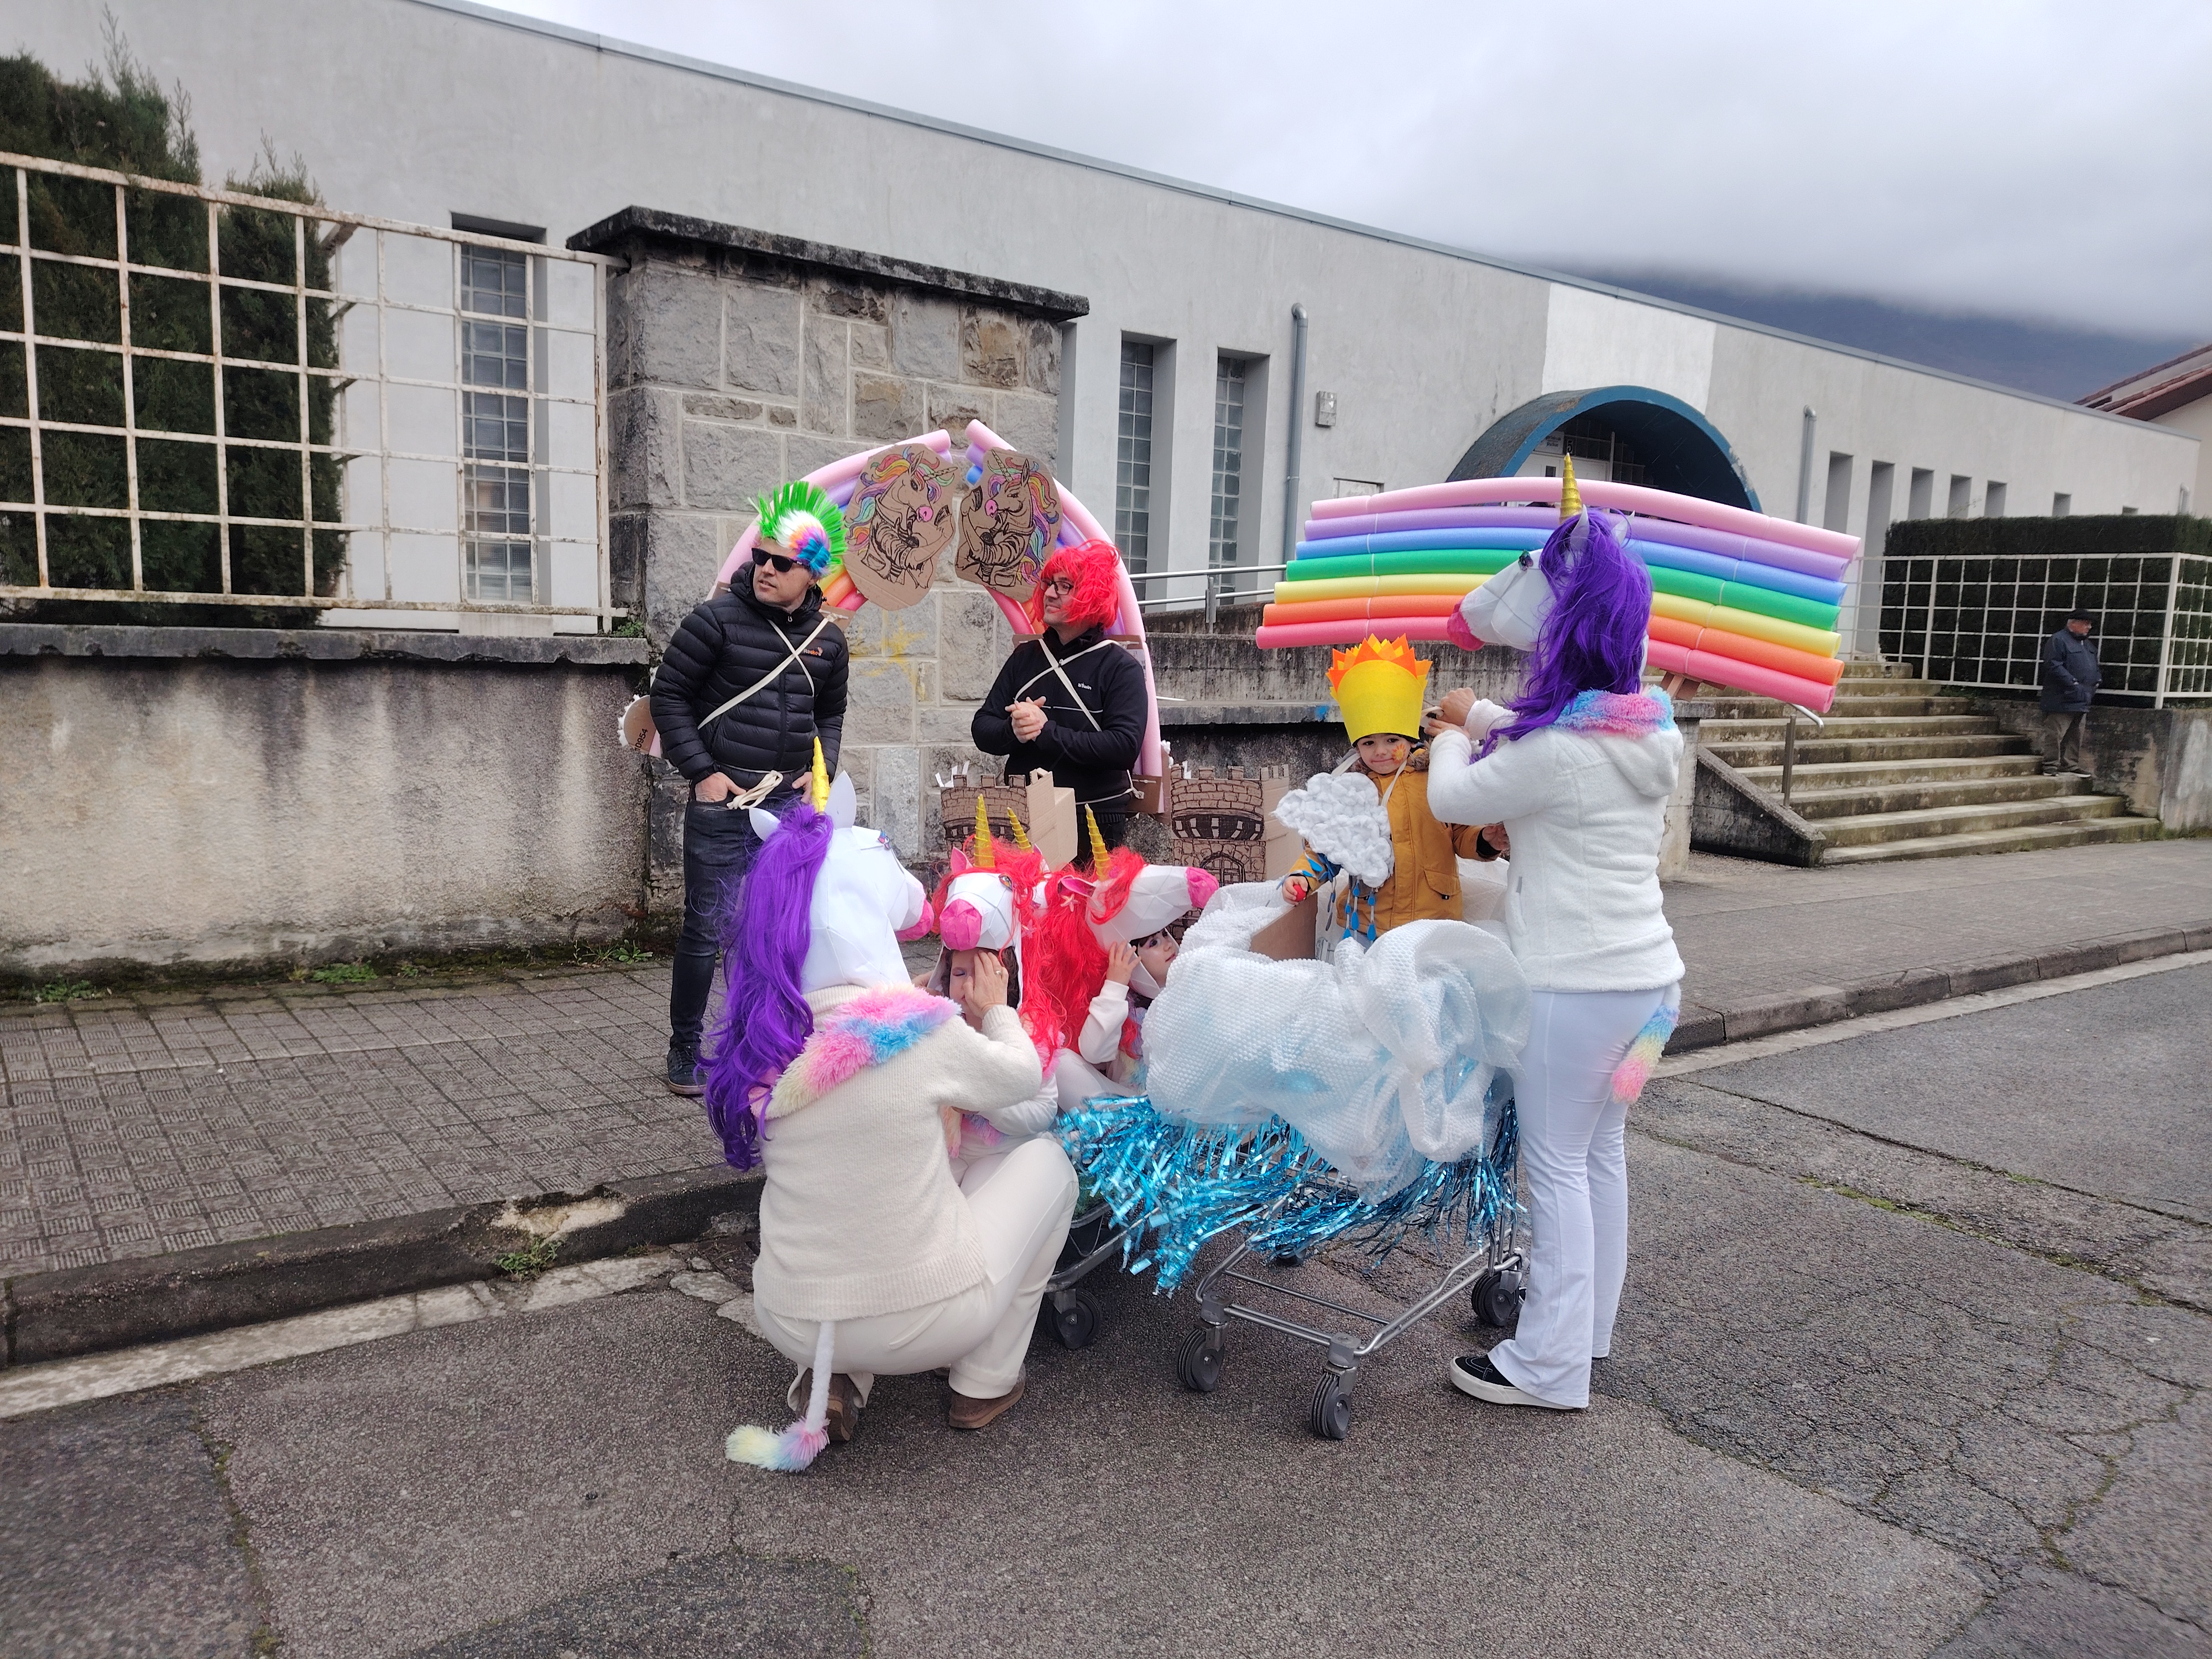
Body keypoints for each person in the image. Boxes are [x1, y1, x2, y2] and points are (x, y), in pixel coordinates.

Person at [709, 762, 1078, 1464]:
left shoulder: (767, 1043)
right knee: (1049, 1164)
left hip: (788, 1317)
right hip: (920, 1321)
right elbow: (1019, 1076)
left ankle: (833, 1377)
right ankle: (983, 1381)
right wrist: (995, 1008)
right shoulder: (921, 1033)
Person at [1423, 468, 1684, 1414]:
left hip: (1575, 996)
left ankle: (1547, 1367)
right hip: (1651, 993)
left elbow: (1454, 797)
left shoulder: (1560, 754)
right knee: (1600, 1153)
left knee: (1559, 1167)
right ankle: (1588, 1334)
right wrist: (1485, 718)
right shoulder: (1648, 733)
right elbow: (1552, 737)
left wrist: (1447, 731)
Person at [651, 481, 851, 1098]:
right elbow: (668, 697)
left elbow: (830, 715)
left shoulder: (829, 641)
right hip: (722, 803)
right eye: (760, 557)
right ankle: (685, 1048)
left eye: (780, 563)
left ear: (812, 571)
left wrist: (821, 768)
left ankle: (758, 1044)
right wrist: (703, 774)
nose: (764, 568)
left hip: (786, 808)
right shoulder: (714, 621)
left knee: (772, 932)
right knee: (705, 930)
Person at [1272, 635, 1489, 946]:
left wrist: (1485, 839)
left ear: (1410, 740)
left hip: (1434, 920)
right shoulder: (1350, 791)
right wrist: (1302, 878)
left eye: (1392, 740)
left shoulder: (1437, 776)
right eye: (1368, 743)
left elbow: (1461, 833)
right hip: (1367, 923)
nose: (1381, 751)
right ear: (1356, 746)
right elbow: (1327, 847)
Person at [972, 539, 1149, 852]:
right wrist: (1014, 730)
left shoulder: (1121, 667)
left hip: (1095, 819)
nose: (1050, 593)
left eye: (1065, 586)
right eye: (1050, 584)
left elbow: (1123, 747)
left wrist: (1045, 731)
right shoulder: (1025, 656)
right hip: (1025, 815)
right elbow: (982, 727)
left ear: (1093, 596)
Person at [2039, 607, 2099, 778]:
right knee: (2055, 733)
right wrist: (2073, 683)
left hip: (2083, 698)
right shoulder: (2059, 640)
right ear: (2073, 624)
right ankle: (2050, 765)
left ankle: (2070, 764)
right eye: (2086, 624)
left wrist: (2097, 679)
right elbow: (2053, 665)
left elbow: (2093, 665)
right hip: (2061, 697)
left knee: (2076, 734)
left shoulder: (2087, 644)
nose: (2089, 627)